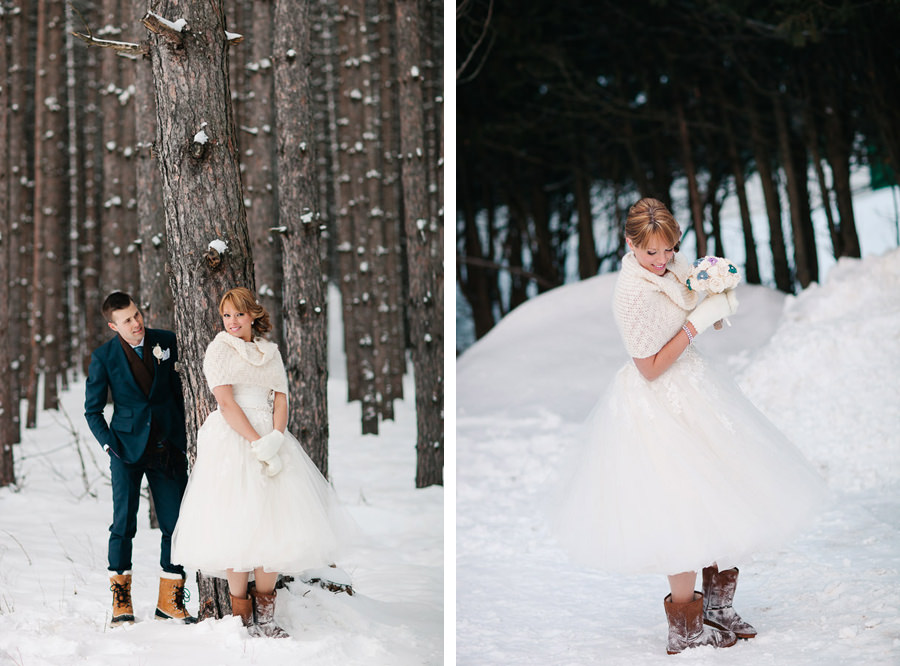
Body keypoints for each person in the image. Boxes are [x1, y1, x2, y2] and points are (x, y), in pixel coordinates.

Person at [550, 198, 829, 655]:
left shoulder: (672, 265)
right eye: (652, 254)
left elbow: (690, 299)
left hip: (698, 387)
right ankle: (685, 627)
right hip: (659, 403)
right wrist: (695, 326)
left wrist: (715, 299)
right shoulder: (631, 294)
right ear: (630, 244)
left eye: (669, 250)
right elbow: (650, 368)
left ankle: (718, 608)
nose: (662, 262)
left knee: (723, 489)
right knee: (680, 507)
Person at [172, 287, 348, 638]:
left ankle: (267, 618)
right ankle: (240, 618)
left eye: (238, 314)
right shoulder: (219, 349)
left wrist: (276, 439)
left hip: (271, 436)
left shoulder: (270, 352)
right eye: (226, 315)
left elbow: (280, 398)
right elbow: (226, 403)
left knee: (274, 520)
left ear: (252, 315)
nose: (232, 321)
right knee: (235, 519)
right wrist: (257, 442)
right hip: (234, 439)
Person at [84, 291, 196, 627]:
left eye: (136, 315)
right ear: (113, 326)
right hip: (126, 451)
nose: (136, 324)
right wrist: (109, 447)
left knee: (176, 526)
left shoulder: (167, 341)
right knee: (123, 525)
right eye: (126, 320)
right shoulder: (103, 357)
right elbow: (92, 411)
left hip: (168, 447)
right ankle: (121, 602)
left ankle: (170, 600)